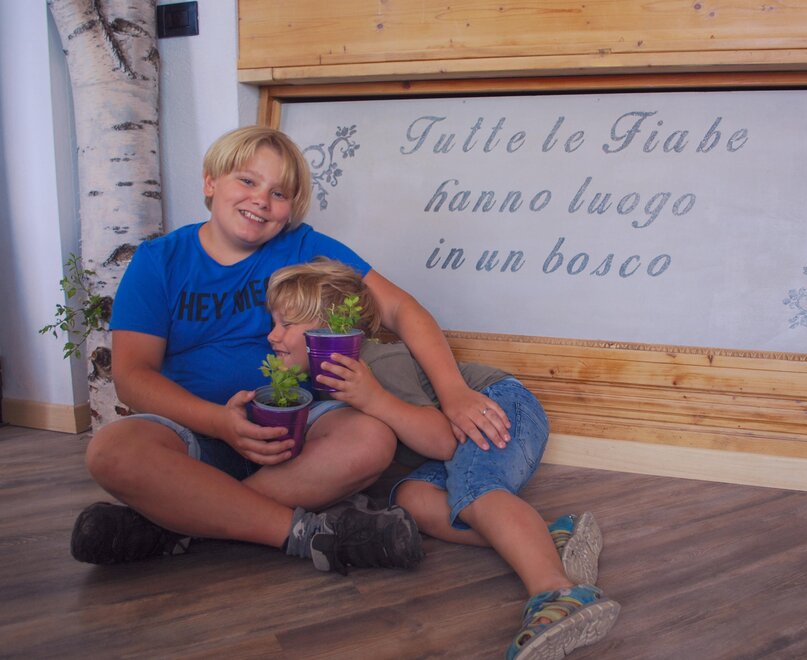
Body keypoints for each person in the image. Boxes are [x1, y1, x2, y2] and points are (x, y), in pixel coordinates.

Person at [71, 126, 512, 574]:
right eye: (247, 181)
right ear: (210, 182)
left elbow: (400, 308)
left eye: (278, 193)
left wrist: (453, 391)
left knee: (370, 439)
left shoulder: (304, 247)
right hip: (191, 430)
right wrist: (219, 422)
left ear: (291, 208)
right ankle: (305, 532)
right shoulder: (159, 260)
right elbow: (133, 377)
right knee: (111, 451)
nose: (261, 200)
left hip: (299, 433)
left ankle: (175, 525)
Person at [264, 258, 621, 659]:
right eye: (273, 322)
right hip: (459, 434)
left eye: (286, 324)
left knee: (473, 486)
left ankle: (560, 593)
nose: (272, 335)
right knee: (411, 498)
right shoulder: (324, 380)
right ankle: (550, 538)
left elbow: (443, 442)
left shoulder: (377, 362)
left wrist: (374, 400)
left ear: (329, 330)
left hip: (497, 407)